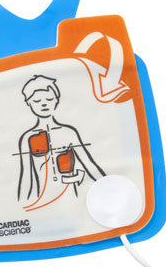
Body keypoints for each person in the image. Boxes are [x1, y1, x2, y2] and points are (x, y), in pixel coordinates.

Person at [17, 75, 105, 206]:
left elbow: (89, 164)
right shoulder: (27, 138)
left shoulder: (69, 133)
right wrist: (20, 206)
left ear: (56, 101)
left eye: (49, 99)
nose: (44, 104)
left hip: (73, 201)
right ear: (29, 103)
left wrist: (108, 187)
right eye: (36, 101)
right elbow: (26, 177)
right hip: (43, 201)